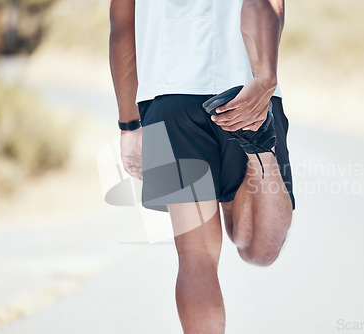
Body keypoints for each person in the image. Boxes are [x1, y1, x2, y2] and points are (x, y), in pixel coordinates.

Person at [109, 0, 295, 333]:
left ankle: (258, 144)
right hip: (247, 87)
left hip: (168, 98)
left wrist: (128, 125)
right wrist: (264, 77)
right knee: (259, 250)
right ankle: (259, 145)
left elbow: (122, 26)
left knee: (196, 257)